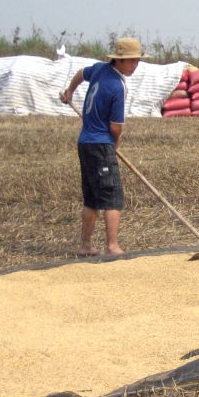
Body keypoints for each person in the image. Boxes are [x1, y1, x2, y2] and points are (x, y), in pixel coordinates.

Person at [60, 36, 144, 256]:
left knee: (91, 199)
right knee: (112, 197)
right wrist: (114, 146)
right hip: (100, 145)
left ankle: (85, 246)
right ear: (120, 61)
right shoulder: (117, 86)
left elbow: (80, 74)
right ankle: (112, 246)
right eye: (133, 61)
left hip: (85, 143)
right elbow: (116, 126)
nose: (136, 65)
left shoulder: (98, 69)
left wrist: (70, 90)